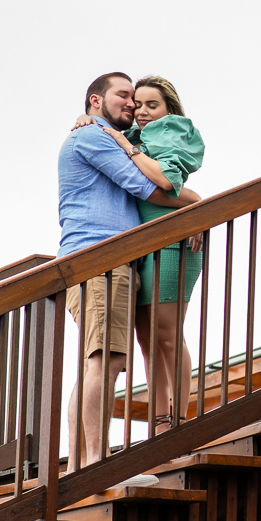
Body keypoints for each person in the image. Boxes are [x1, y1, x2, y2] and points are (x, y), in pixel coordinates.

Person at [58, 72, 200, 469]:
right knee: (106, 360)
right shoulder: (94, 137)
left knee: (101, 360)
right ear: (96, 101)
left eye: (140, 102)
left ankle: (80, 463)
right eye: (125, 96)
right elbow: (145, 186)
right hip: (100, 259)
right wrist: (198, 204)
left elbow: (157, 172)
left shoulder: (121, 136)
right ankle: (94, 462)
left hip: (118, 258)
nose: (134, 106)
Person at [87, 76, 204, 433]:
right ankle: (159, 425)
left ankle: (178, 422)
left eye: (152, 105)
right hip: (144, 247)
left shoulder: (170, 130)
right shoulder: (139, 134)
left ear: (169, 108)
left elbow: (166, 180)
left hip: (173, 241)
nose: (142, 113)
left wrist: (126, 143)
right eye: (139, 106)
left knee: (167, 334)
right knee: (148, 339)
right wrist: (89, 120)